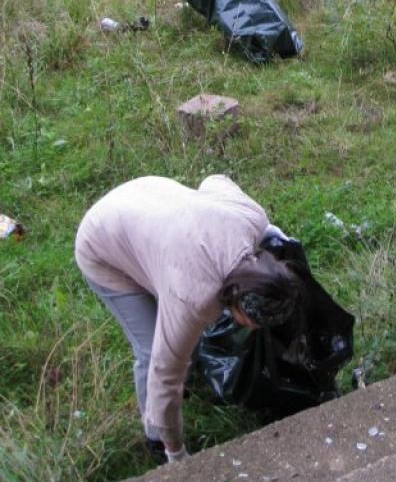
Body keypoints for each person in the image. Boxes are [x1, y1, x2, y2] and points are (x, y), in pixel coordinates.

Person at [75, 174, 300, 464]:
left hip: (149, 198)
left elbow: (214, 181)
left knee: (183, 339)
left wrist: (273, 233)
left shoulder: (253, 219)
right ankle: (155, 437)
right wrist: (176, 451)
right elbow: (164, 373)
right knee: (150, 349)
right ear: (238, 304)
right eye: (253, 323)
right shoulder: (194, 299)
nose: (254, 330)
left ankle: (190, 379)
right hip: (103, 243)